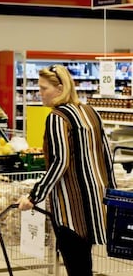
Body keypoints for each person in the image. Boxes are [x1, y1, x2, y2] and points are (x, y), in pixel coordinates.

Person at [17, 64, 116, 276]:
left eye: (44, 88)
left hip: (72, 206)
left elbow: (60, 162)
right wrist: (112, 193)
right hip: (97, 201)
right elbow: (107, 155)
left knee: (76, 265)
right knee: (84, 263)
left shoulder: (57, 117)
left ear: (60, 89)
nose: (40, 93)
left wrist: (34, 196)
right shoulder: (90, 112)